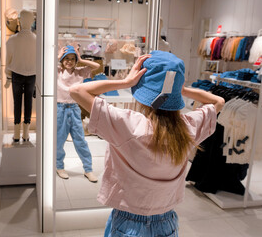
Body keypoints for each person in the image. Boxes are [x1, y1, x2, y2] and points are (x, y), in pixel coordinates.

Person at [70, 50, 224, 236]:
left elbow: (77, 91)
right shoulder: (187, 129)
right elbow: (219, 101)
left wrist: (125, 82)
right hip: (167, 222)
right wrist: (180, 89)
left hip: (128, 222)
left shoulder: (127, 125)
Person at [56, 44, 100, 182]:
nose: (69, 61)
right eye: (66, 58)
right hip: (60, 109)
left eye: (72, 58)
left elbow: (96, 66)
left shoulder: (80, 72)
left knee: (80, 140)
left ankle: (88, 169)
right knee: (59, 141)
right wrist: (58, 57)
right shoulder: (57, 71)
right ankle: (59, 166)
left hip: (74, 109)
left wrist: (80, 59)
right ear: (62, 59)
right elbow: (45, 66)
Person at [5, 9, 35, 142]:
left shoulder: (12, 40)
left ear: (20, 21)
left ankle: (17, 133)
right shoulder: (37, 40)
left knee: (17, 102)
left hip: (17, 74)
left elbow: (8, 61)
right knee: (28, 103)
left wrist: (8, 76)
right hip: (31, 75)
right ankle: (25, 134)